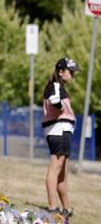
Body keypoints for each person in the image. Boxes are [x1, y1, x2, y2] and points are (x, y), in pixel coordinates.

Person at [42, 57, 80, 219]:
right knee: (55, 172)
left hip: (59, 132)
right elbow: (54, 100)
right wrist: (59, 107)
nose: (72, 74)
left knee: (62, 174)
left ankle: (66, 208)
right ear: (60, 72)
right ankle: (53, 207)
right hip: (60, 131)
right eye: (70, 71)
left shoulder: (57, 86)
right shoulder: (56, 86)